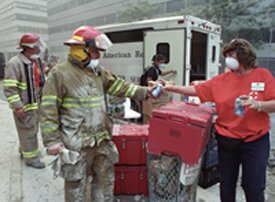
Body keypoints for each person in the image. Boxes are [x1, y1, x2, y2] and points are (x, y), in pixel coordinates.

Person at [39, 25, 154, 202]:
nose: (99, 56)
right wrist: (52, 141)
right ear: (81, 50)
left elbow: (121, 87)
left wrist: (147, 92)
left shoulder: (99, 72)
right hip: (76, 142)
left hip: (101, 139)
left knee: (105, 180)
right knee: (76, 185)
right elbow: (48, 109)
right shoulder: (60, 74)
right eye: (95, 51)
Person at [162, 38, 275, 202]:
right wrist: (171, 87)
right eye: (226, 55)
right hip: (227, 140)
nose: (227, 59)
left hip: (255, 141)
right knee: (227, 184)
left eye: (231, 54)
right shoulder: (222, 79)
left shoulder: (262, 75)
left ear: (244, 55)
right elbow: (196, 90)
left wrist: (257, 104)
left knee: (254, 186)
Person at [3, 33, 46, 169]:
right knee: (28, 132)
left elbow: (38, 82)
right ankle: (32, 159)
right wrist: (18, 107)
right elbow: (10, 89)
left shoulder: (35, 61)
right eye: (37, 47)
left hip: (35, 105)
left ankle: (25, 151)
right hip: (24, 106)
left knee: (30, 130)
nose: (39, 50)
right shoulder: (14, 64)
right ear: (28, 48)